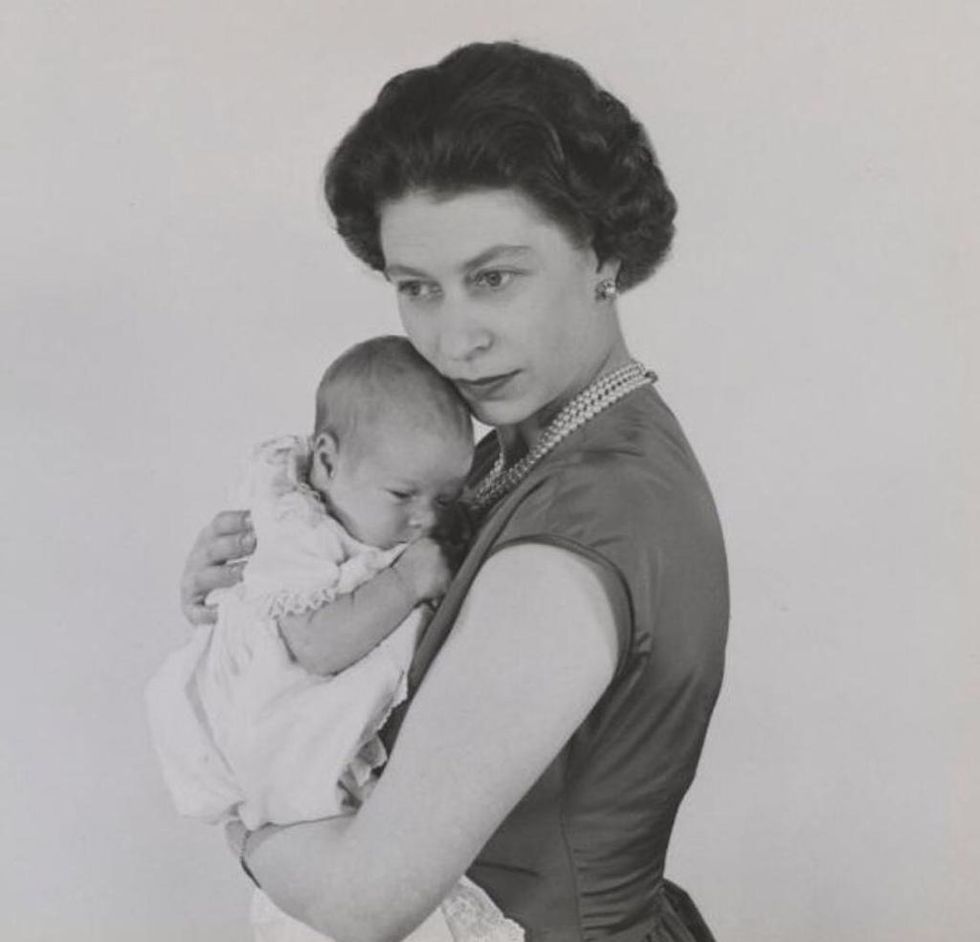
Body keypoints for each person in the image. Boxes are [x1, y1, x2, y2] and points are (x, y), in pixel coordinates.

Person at [179, 41, 729, 942]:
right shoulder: (538, 452)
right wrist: (260, 595)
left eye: (494, 278)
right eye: (417, 288)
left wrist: (239, 812)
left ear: (604, 253)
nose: (454, 339)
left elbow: (366, 901)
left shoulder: (577, 533)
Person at [148, 336, 523, 941]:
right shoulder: (295, 528)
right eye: (403, 496)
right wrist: (405, 580)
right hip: (282, 741)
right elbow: (317, 646)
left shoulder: (378, 499)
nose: (425, 518)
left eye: (445, 499)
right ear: (325, 459)